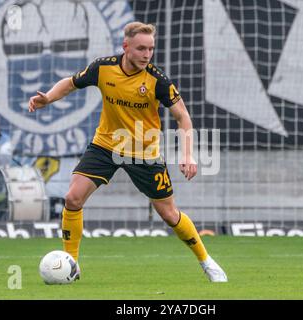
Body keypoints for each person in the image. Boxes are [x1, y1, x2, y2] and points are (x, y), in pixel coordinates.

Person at [28, 22, 228, 282]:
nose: (147, 54)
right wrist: (49, 98)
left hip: (144, 153)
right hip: (106, 145)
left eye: (151, 49)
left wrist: (187, 154)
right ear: (126, 47)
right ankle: (71, 264)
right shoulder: (103, 68)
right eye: (141, 48)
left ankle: (206, 261)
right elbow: (71, 83)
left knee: (169, 214)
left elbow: (183, 117)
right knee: (73, 198)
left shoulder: (157, 80)